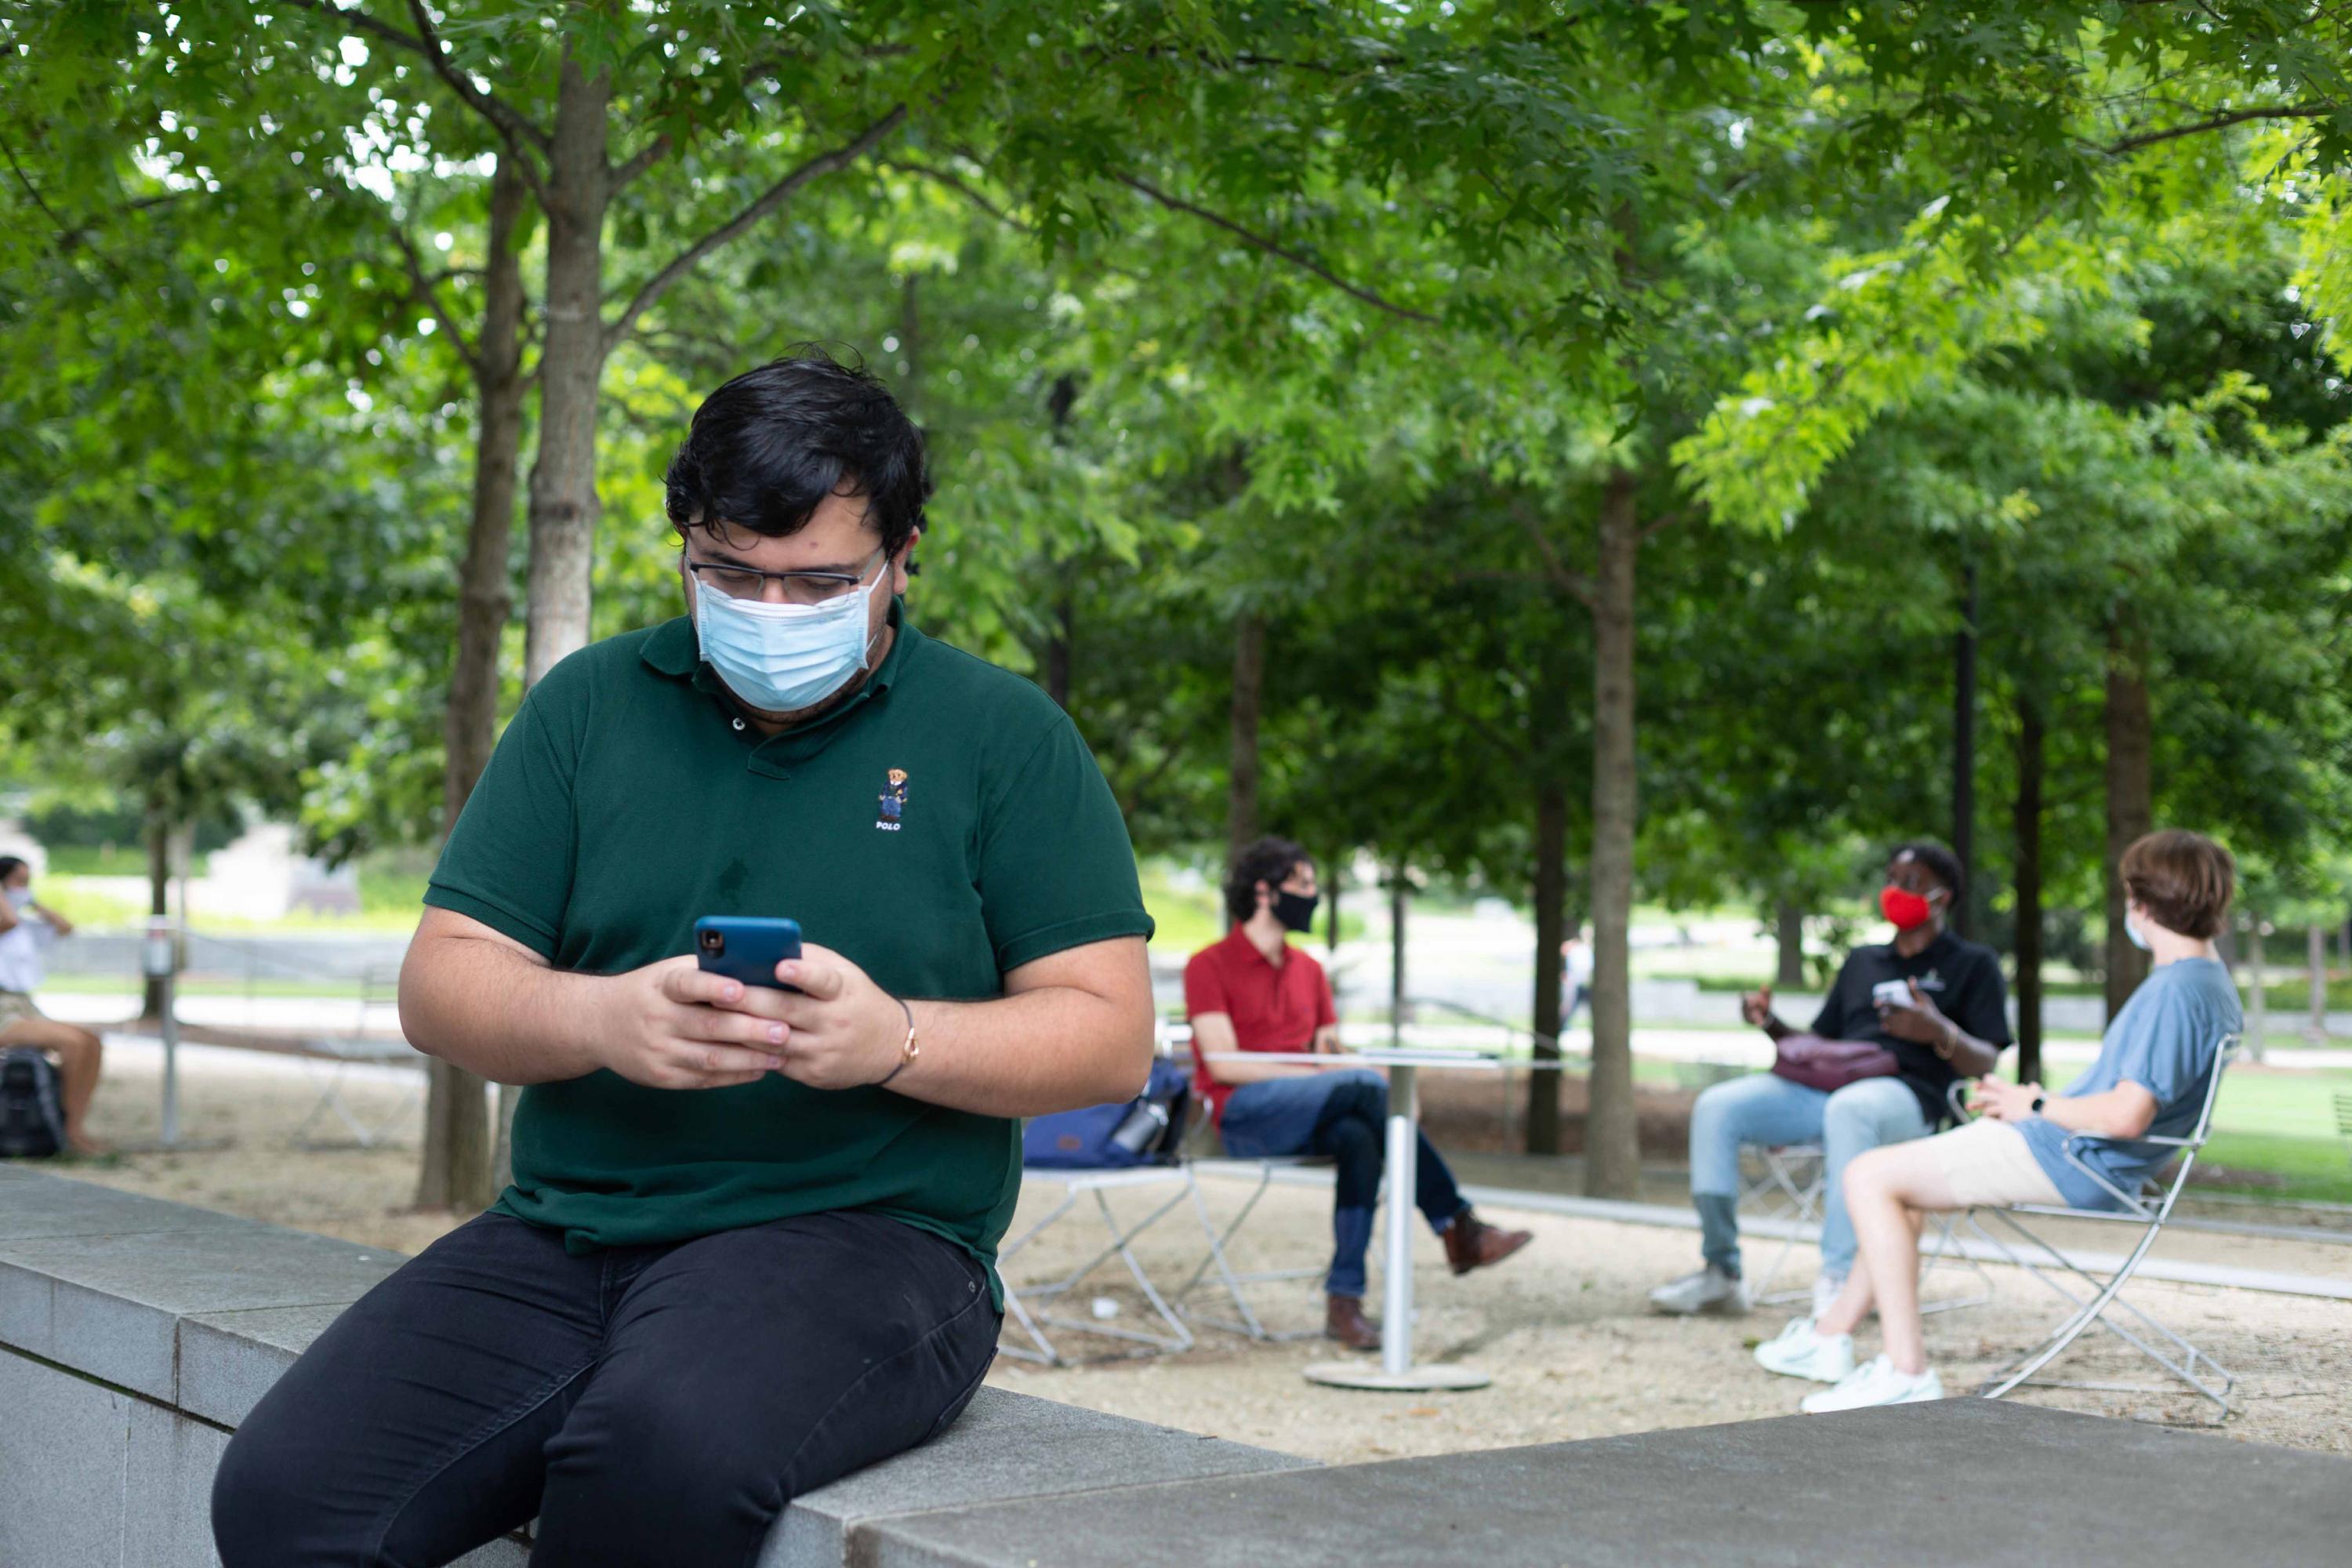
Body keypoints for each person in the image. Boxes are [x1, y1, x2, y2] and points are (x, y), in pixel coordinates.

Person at [212, 350, 1159, 1566]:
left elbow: (1108, 1033)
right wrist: (602, 1021)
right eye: (730, 574)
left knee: (652, 1461)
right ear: (684, 547)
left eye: (817, 582)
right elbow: (441, 984)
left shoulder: (1005, 736)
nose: (769, 614)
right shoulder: (587, 707)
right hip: (568, 1229)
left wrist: (896, 1040)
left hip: (873, 1242)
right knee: (289, 1496)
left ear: (905, 555)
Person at [1762, 829, 2242, 1411]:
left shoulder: (2173, 992)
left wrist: (2032, 1106)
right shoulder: (2211, 984)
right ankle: (1830, 1337)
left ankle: (1905, 1371)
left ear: (2141, 901)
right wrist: (2030, 1101)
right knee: (1900, 1190)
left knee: (1867, 1176)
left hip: (2074, 1159)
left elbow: (2125, 1114)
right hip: (2074, 1150)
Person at [1185, 837, 1533, 1351]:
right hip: (1244, 1116)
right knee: (1368, 1091)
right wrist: (1355, 1083)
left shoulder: (1310, 972)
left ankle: (1344, 1302)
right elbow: (1223, 1062)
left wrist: (1361, 1075)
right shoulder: (1209, 965)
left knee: (1359, 1137)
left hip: (1314, 1114)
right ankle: (1459, 1227)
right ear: (1264, 890)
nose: (1313, 895)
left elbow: (1330, 1050)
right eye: (1303, 884)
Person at [1650, 843, 2010, 1320]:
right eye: (1891, 878)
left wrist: (1939, 1031)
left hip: (1906, 1096)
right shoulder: (1862, 961)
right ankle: (1722, 1272)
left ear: (1942, 897)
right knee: (1718, 1106)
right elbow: (1819, 1043)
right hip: (1828, 1088)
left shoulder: (1974, 964)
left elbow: (1987, 1059)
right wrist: (1772, 1024)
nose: (1894, 890)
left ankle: (1840, 1279)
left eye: (1911, 882)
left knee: (1852, 1108)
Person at [0, 855, 103, 1153]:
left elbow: (65, 927)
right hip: (3, 1008)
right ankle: (65, 1132)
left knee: (91, 1042)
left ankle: (75, 1126)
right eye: (20, 881)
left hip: (22, 1003)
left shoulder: (24, 926)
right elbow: (7, 920)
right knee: (73, 1044)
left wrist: (32, 901)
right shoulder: (8, 921)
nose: (24, 888)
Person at [1560, 927, 1592, 1027]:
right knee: (1568, 1007)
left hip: (1583, 984)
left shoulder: (1585, 949)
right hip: (1574, 983)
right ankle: (1561, 1025)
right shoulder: (1577, 949)